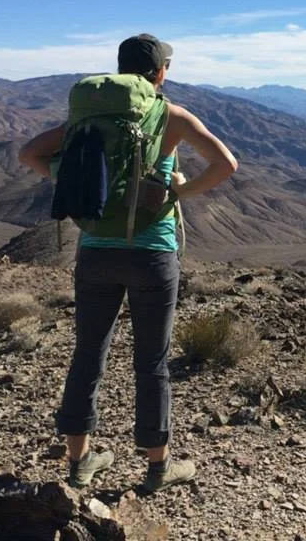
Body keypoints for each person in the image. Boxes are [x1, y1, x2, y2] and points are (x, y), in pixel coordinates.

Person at [19, 34, 238, 491]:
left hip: (96, 251)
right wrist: (180, 189)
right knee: (152, 362)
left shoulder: (88, 120)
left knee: (88, 353)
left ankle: (79, 463)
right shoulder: (171, 116)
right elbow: (226, 165)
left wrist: (64, 175)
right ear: (160, 72)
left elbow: (29, 154)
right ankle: (158, 467)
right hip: (153, 256)